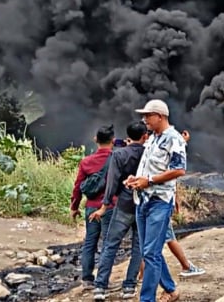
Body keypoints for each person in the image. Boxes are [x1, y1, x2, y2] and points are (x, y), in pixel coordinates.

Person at [126, 99, 186, 302]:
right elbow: (147, 167)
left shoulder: (174, 139)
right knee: (148, 252)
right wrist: (135, 179)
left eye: (148, 116)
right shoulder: (152, 138)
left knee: (151, 253)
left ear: (160, 116)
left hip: (159, 202)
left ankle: (147, 299)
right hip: (142, 200)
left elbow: (179, 169)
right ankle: (170, 288)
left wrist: (149, 180)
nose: (144, 120)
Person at [90, 121, 149, 300]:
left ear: (128, 136)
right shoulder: (149, 154)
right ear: (145, 136)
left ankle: (100, 287)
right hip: (144, 205)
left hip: (124, 204)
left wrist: (104, 206)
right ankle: (129, 287)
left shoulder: (119, 155)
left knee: (110, 245)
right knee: (138, 247)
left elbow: (112, 182)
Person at [70, 125, 117, 290]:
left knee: (90, 242)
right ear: (113, 141)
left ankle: (87, 280)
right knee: (107, 244)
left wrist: (74, 207)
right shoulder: (117, 159)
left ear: (95, 140)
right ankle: (103, 282)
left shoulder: (86, 162)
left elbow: (77, 187)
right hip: (110, 207)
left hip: (91, 207)